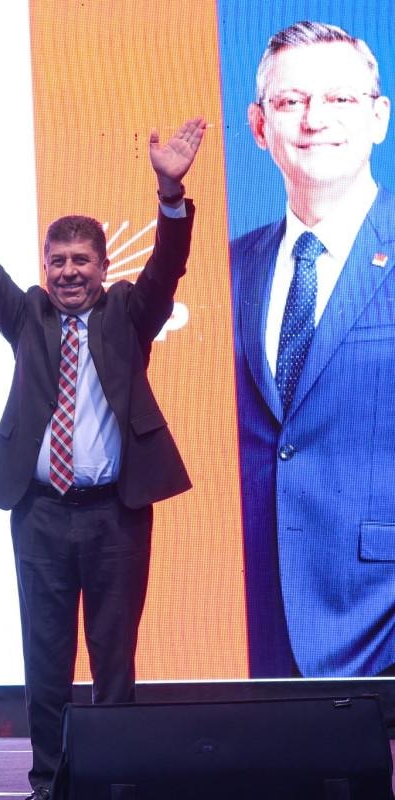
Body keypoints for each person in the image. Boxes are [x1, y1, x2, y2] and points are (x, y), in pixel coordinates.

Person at [0, 118, 204, 799]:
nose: (69, 272)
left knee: (114, 663)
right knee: (44, 663)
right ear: (44, 268)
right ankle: (49, 784)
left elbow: (168, 266)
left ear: (103, 270)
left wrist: (170, 195)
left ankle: (112, 784)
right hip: (41, 516)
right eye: (58, 261)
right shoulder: (28, 315)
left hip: (116, 515)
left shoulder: (130, 313)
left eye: (82, 261)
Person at [230, 20, 395, 679]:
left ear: (379, 118)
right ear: (258, 125)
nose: (313, 119)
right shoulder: (226, 270)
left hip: (383, 627)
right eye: (291, 100)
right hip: (256, 627)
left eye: (340, 99)